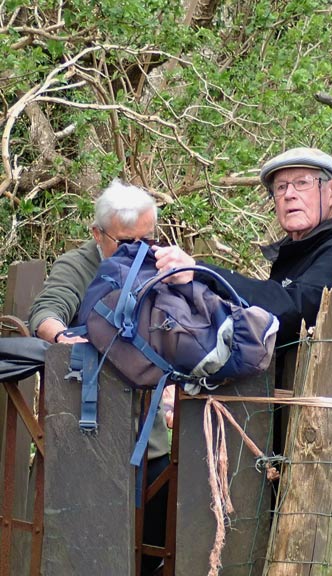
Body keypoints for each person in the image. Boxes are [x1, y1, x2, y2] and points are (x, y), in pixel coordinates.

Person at [29, 178, 170, 576]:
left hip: (150, 437)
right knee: (91, 549)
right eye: (127, 243)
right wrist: (67, 339)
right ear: (98, 233)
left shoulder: (157, 262)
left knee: (151, 547)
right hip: (90, 435)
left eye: (147, 239)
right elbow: (46, 311)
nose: (139, 251)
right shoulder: (79, 263)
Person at [152, 146, 332, 366]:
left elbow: (290, 311)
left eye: (302, 183)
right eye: (281, 187)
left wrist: (201, 272)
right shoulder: (301, 248)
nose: (289, 194)